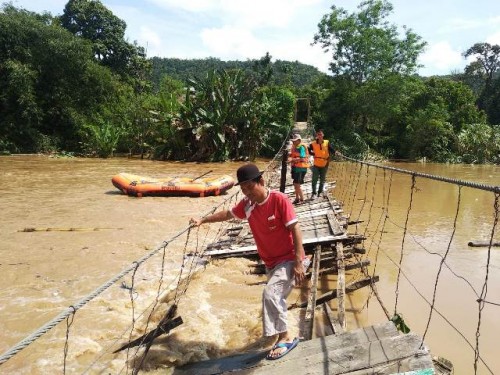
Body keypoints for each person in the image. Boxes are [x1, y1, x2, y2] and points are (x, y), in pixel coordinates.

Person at [189, 163, 308, 360]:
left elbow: (295, 228)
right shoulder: (248, 205)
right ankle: (279, 333)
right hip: (270, 262)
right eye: (243, 189)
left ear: (261, 182)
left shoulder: (279, 200)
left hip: (287, 258)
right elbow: (228, 214)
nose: (247, 193)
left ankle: (286, 337)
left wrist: (298, 261)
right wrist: (203, 220)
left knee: (270, 293)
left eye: (249, 187)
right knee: (276, 296)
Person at [308, 129, 335, 199]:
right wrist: (313, 153)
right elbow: (308, 149)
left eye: (321, 134)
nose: (319, 136)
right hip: (316, 164)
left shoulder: (327, 142)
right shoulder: (313, 144)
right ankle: (314, 193)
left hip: (325, 164)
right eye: (318, 135)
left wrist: (335, 153)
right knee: (314, 179)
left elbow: (332, 150)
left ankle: (319, 192)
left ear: (323, 135)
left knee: (322, 180)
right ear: (316, 136)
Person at [289, 134, 309, 205]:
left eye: (295, 140)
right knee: (295, 183)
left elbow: (302, 158)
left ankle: (302, 199)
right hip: (295, 167)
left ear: (299, 140)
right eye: (293, 141)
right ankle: (297, 198)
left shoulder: (301, 147)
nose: (293, 142)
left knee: (297, 184)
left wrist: (292, 159)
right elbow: (293, 155)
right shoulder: (294, 146)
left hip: (301, 168)